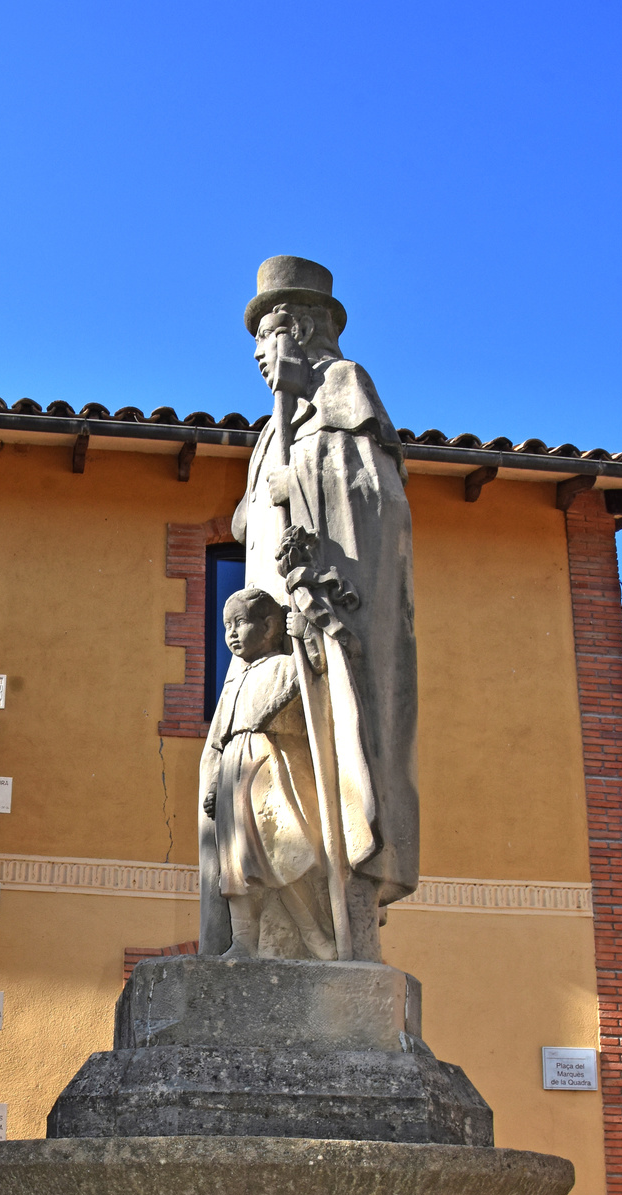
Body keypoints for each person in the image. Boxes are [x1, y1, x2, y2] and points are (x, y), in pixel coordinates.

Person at [199, 256, 419, 959]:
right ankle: (263, 938)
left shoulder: (342, 388)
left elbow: (370, 499)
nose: (260, 357)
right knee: (250, 804)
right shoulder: (274, 425)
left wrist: (307, 475)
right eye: (256, 344)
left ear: (300, 332)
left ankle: (325, 936)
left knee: (309, 791)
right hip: (270, 642)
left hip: (316, 634)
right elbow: (244, 523)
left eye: (268, 339)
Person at [199, 587, 334, 960]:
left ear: (270, 625)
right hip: (234, 770)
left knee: (280, 855)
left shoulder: (286, 667)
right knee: (236, 865)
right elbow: (222, 739)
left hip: (268, 763)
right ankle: (243, 941)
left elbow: (319, 677)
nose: (230, 634)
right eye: (226, 625)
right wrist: (214, 784)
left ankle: (314, 934)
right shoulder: (234, 680)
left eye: (240, 623)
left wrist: (306, 635)